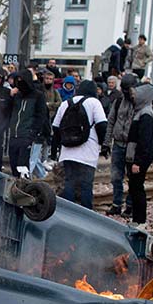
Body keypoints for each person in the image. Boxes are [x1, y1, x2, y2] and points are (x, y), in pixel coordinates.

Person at [51, 79, 107, 209]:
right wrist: (103, 144)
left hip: (67, 152)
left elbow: (55, 127)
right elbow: (102, 125)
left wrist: (57, 149)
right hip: (88, 151)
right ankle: (86, 214)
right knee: (86, 185)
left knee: (69, 183)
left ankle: (68, 213)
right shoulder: (94, 102)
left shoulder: (66, 103)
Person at [105, 73, 140, 216]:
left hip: (133, 145)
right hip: (118, 144)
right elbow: (111, 121)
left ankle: (130, 205)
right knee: (116, 177)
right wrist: (106, 143)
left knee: (133, 178)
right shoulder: (118, 101)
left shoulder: (140, 104)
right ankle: (117, 204)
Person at [125, 83, 153, 227]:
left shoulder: (145, 114)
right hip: (135, 155)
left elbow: (144, 140)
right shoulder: (141, 111)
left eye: (135, 95)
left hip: (139, 158)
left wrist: (137, 161)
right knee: (134, 187)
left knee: (137, 188)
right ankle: (137, 218)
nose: (133, 97)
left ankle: (140, 220)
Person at [7, 68, 49, 175]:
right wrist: (10, 97)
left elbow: (41, 116)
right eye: (18, 81)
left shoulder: (38, 96)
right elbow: (7, 110)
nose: (20, 84)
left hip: (27, 135)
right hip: (14, 135)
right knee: (14, 165)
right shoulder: (16, 95)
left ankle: (25, 184)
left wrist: (32, 133)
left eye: (22, 81)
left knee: (24, 167)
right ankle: (16, 183)